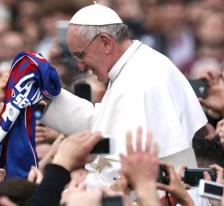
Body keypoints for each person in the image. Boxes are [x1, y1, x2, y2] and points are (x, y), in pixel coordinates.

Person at [41, 3, 207, 188]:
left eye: (81, 55)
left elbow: (119, 174)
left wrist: (69, 187)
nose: (80, 66)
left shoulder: (139, 78)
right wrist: (47, 99)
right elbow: (103, 122)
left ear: (105, 43)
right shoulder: (135, 64)